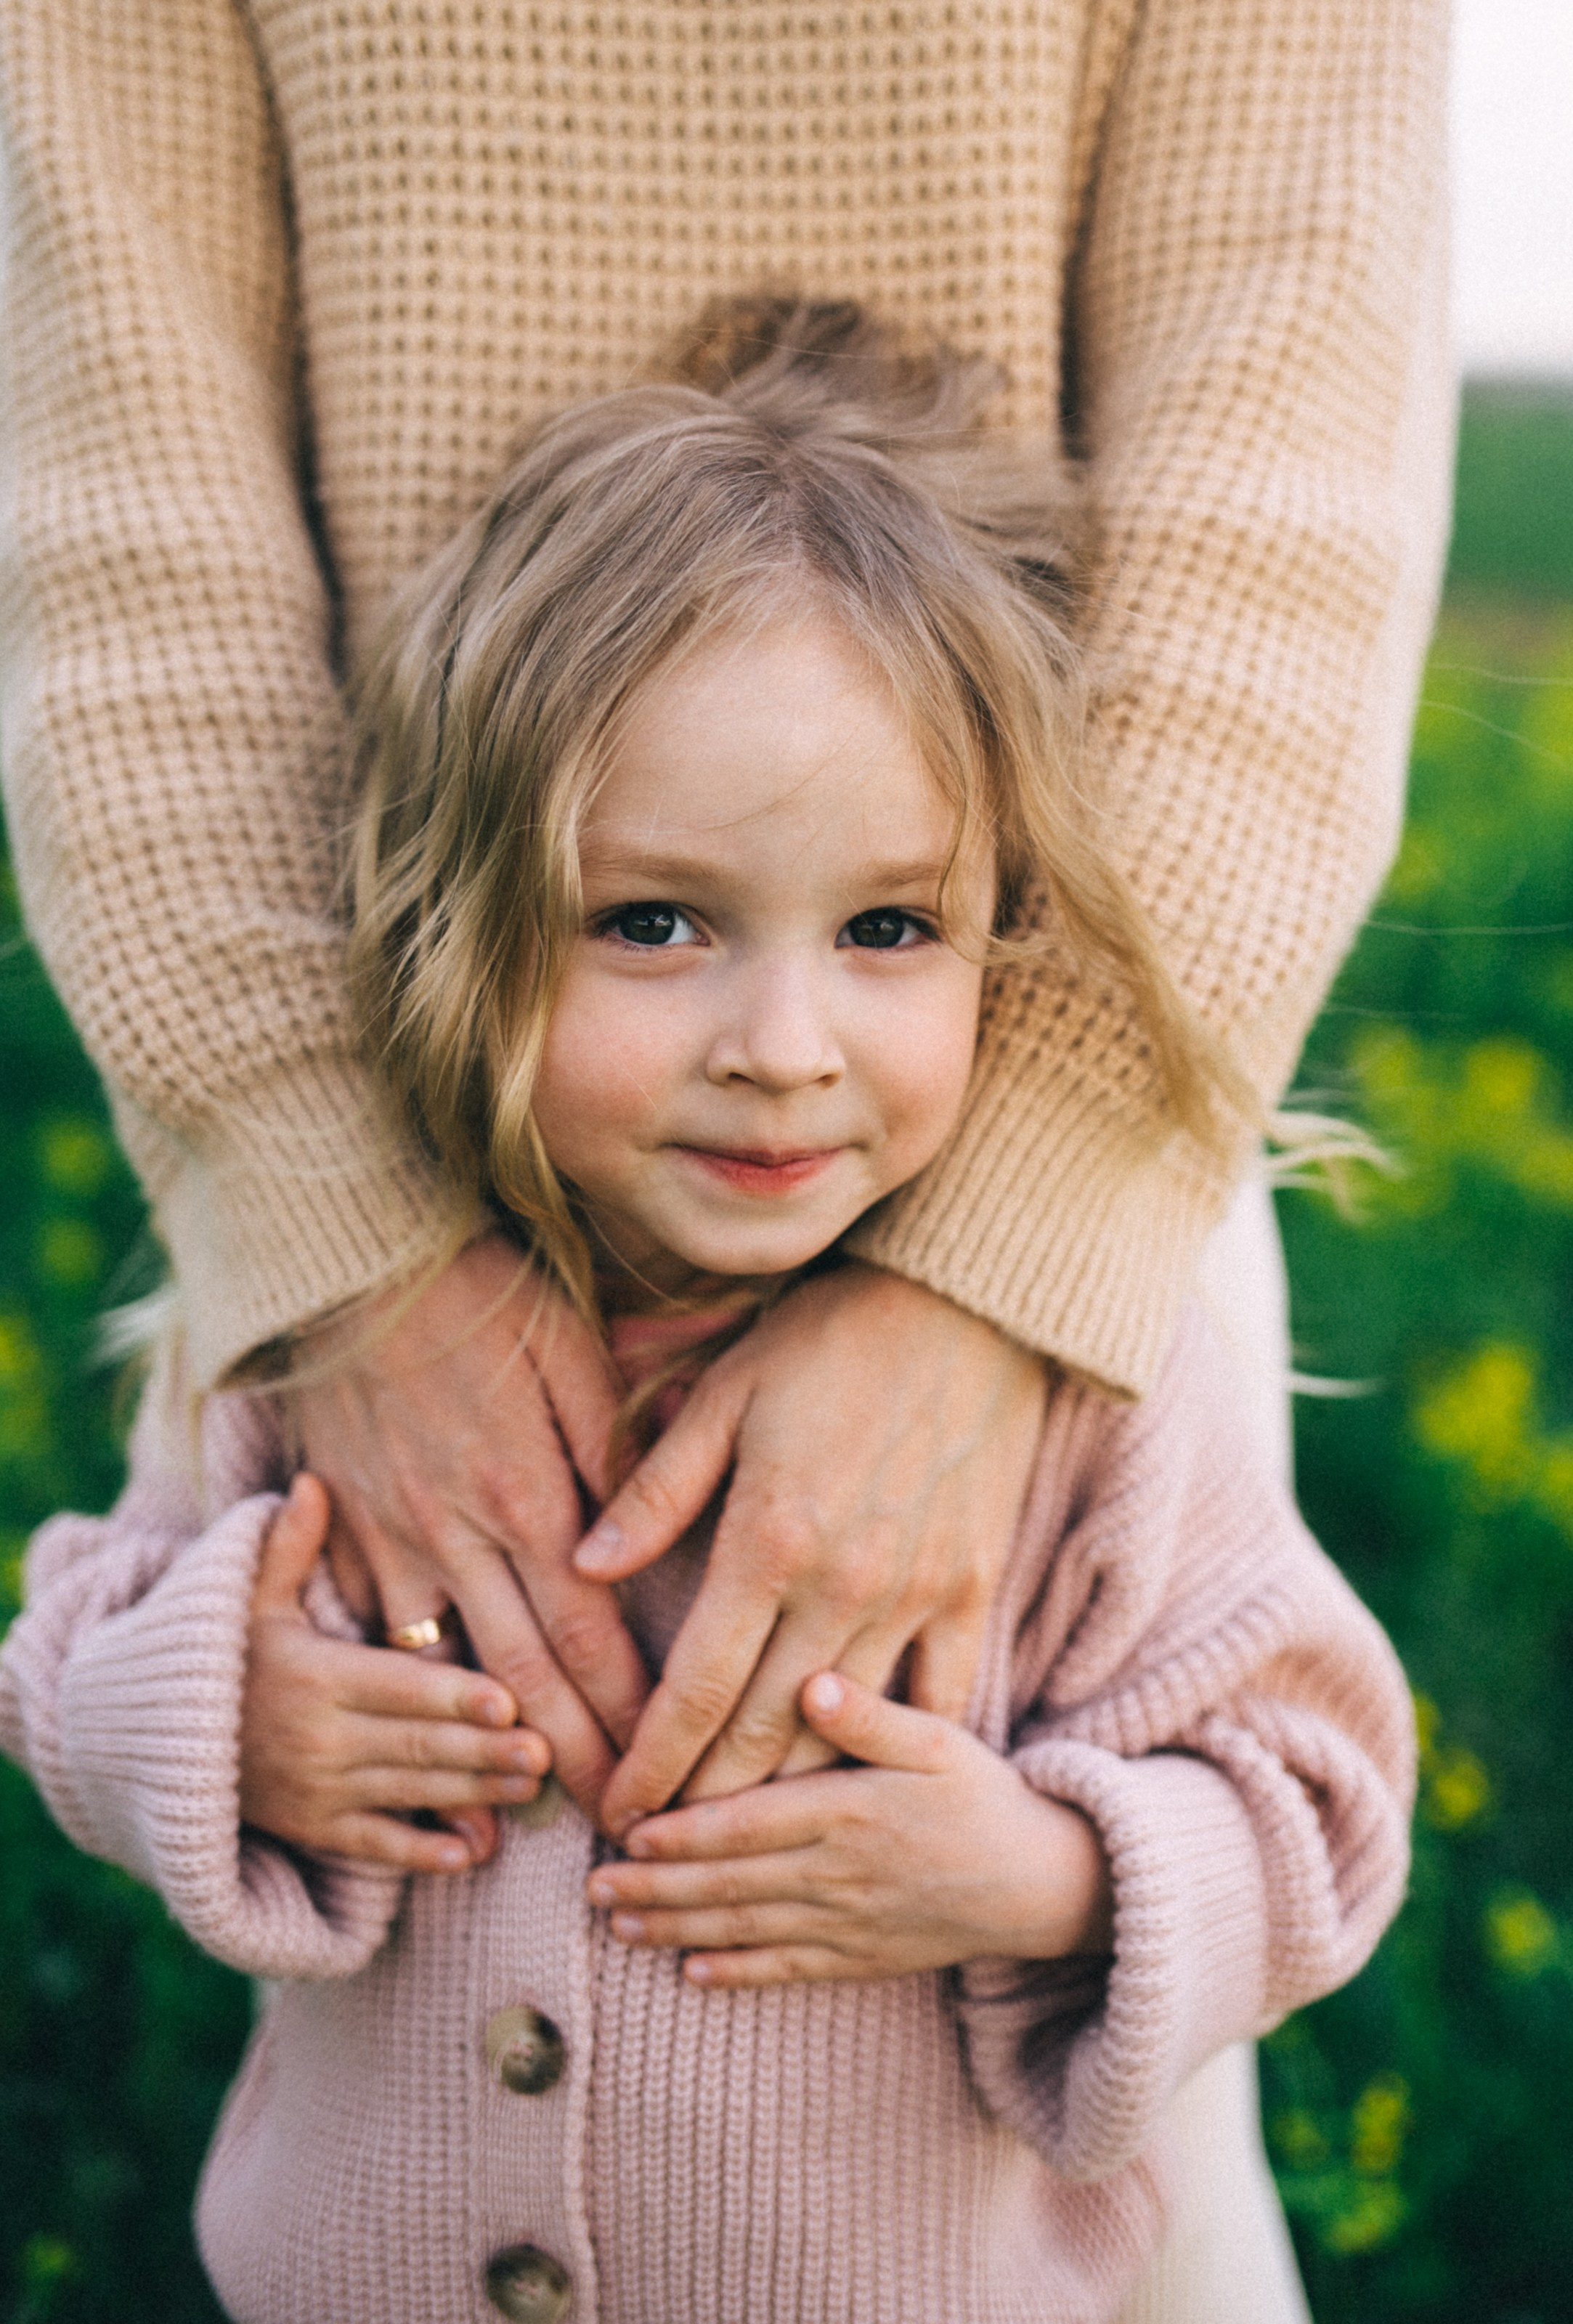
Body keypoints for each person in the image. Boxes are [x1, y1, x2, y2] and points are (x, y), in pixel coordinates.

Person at [0, 4, 1453, 2312]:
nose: (785, 1052)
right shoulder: (284, 1382)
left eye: (885, 929)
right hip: (392, 1151)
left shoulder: (1119, 1412)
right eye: (660, 917)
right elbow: (74, 1649)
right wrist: (326, 1297)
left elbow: (1319, 1815)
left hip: (1067, 1205)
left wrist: (1060, 1871)